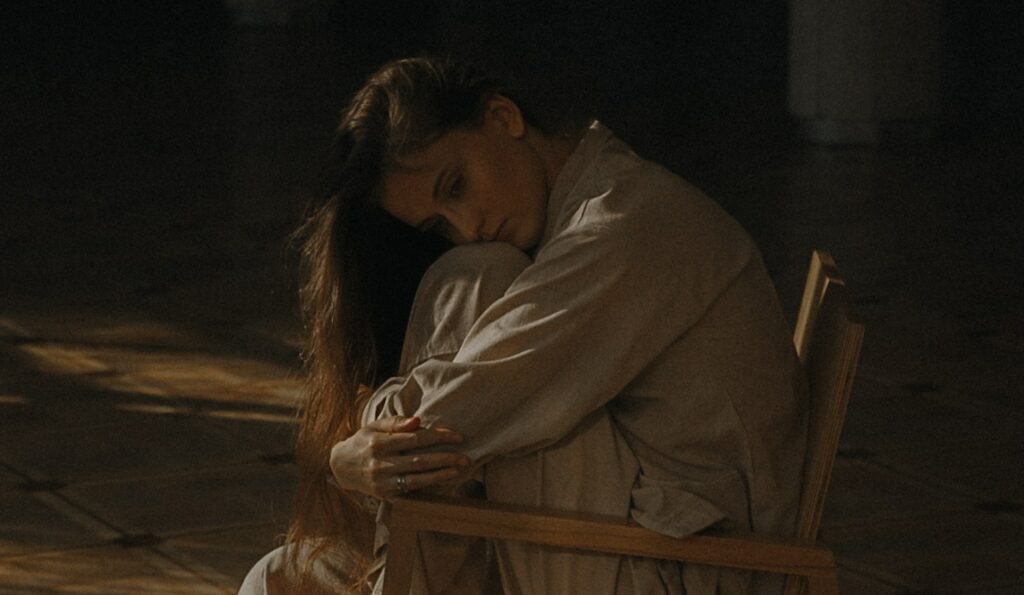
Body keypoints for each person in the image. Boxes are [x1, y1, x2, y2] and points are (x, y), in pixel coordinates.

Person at [240, 56, 808, 595]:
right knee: (278, 578)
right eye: (439, 222)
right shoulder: (592, 206)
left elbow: (444, 423)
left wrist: (353, 442)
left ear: (503, 117)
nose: (468, 225)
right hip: (619, 541)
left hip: (691, 569)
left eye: (455, 185)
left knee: (477, 284)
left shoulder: (625, 222)